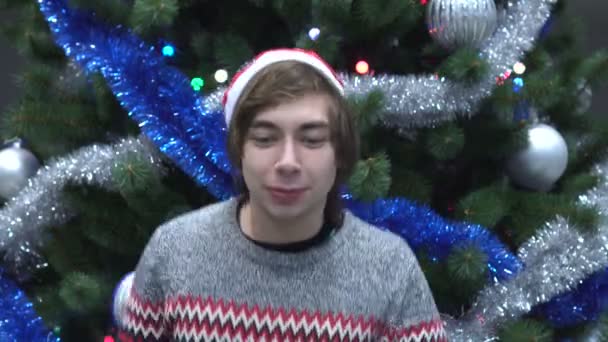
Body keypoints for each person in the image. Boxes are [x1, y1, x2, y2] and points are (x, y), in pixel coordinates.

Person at [118, 48, 446, 341]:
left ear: (340, 154)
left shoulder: (390, 268)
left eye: (312, 139)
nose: (288, 162)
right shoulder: (174, 252)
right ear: (239, 151)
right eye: (265, 139)